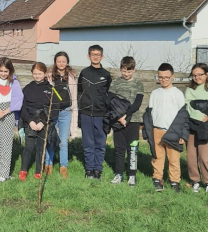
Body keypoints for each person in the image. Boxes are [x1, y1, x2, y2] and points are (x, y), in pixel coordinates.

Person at [146, 63, 187, 192]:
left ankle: (174, 181)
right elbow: (149, 113)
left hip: (173, 131)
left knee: (173, 158)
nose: (163, 80)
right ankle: (157, 179)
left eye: (166, 77)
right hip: (157, 129)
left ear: (172, 77)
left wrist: (183, 135)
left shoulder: (178, 94)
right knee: (157, 156)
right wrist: (148, 131)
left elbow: (184, 116)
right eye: (160, 77)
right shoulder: (155, 93)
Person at [185, 63, 208, 193]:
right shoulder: (190, 90)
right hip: (193, 124)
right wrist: (198, 115)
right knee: (191, 155)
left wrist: (207, 116)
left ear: (207, 74)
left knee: (205, 156)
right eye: (194, 75)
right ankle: (194, 180)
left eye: (199, 75)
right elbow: (188, 106)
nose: (196, 78)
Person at [107, 56, 144, 186]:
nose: (126, 74)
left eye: (129, 71)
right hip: (117, 121)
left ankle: (132, 175)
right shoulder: (115, 83)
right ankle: (118, 173)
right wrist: (118, 117)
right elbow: (110, 100)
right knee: (119, 148)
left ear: (133, 70)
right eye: (124, 71)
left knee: (132, 148)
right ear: (120, 69)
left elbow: (137, 104)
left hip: (133, 121)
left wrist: (125, 117)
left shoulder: (138, 84)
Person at [78, 44, 111, 180]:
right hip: (86, 113)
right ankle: (89, 170)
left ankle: (97, 170)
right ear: (88, 56)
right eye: (93, 54)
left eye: (98, 55)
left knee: (100, 144)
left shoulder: (106, 75)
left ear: (102, 56)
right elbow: (79, 91)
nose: (95, 57)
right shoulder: (84, 73)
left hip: (101, 114)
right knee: (87, 143)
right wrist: (81, 108)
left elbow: (107, 94)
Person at [45, 52, 79, 179]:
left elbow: (74, 98)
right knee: (50, 139)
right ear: (55, 62)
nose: (61, 63)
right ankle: (47, 164)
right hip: (52, 111)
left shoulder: (71, 77)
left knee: (63, 141)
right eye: (59, 61)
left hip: (65, 111)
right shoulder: (49, 76)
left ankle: (63, 166)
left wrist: (74, 128)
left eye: (63, 61)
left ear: (67, 62)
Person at [19, 63, 55, 180]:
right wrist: (30, 121)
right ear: (31, 73)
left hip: (43, 120)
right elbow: (23, 107)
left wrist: (43, 122)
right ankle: (23, 170)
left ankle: (38, 171)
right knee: (28, 147)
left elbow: (52, 108)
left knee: (40, 147)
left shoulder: (50, 89)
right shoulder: (27, 88)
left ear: (45, 74)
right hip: (30, 120)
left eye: (40, 73)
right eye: (35, 73)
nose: (37, 76)